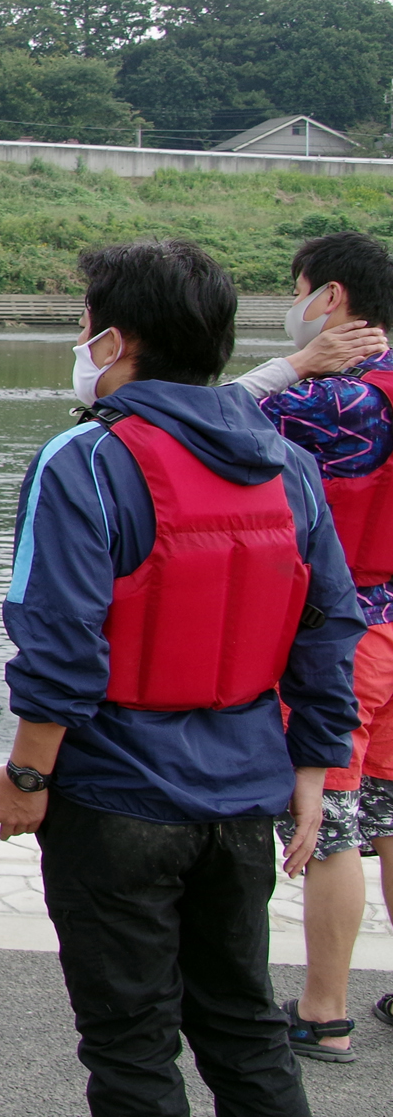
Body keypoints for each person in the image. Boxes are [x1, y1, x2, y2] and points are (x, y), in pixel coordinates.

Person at [0, 240, 362, 1117]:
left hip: (117, 797)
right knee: (244, 1027)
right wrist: (312, 770)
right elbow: (330, 625)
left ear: (116, 342)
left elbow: (59, 641)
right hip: (243, 792)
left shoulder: (86, 462)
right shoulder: (289, 466)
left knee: (132, 1044)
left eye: (85, 326)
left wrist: (28, 776)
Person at [224, 230, 393, 1059]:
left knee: (330, 821)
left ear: (328, 297)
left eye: (296, 287)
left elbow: (198, 415)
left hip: (349, 628)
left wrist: (296, 364)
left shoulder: (328, 400)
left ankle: (324, 1010)